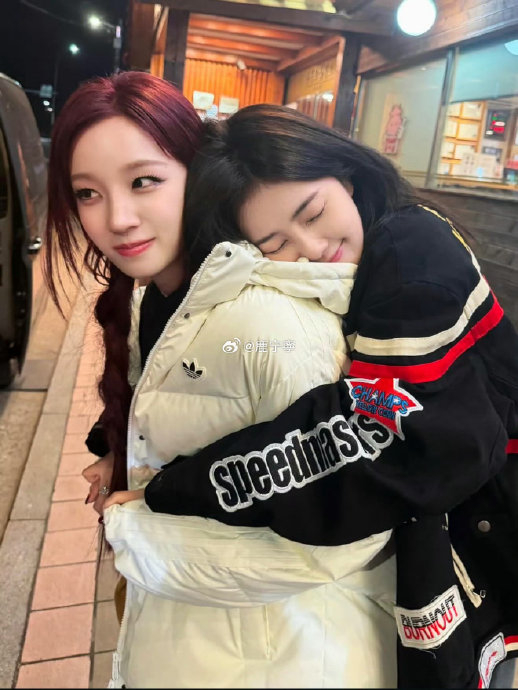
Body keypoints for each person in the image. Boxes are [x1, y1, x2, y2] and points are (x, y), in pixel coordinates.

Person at [105, 104, 518, 689]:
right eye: (275, 242)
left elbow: (381, 433)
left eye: (314, 212)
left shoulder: (411, 248)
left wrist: (173, 490)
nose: (311, 247)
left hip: (491, 537)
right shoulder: (360, 262)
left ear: (345, 173)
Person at [45, 73, 397, 689]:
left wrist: (138, 527)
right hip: (204, 644)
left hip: (289, 661)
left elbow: (351, 528)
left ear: (201, 173)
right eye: (87, 193)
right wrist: (129, 461)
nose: (118, 218)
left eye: (144, 181)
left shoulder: (268, 321)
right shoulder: (156, 296)